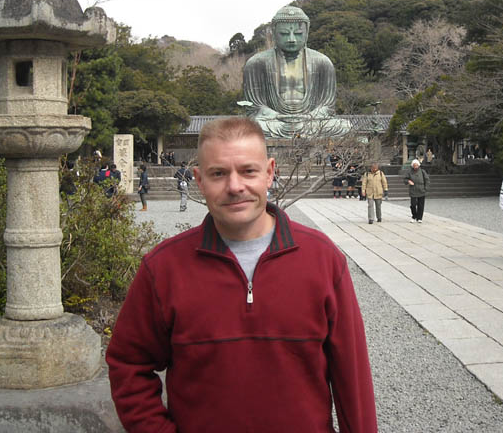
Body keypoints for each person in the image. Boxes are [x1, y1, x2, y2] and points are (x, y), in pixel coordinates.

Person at [106, 117, 377, 433]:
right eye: (218, 173)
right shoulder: (164, 267)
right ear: (199, 180)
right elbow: (129, 364)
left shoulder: (321, 259)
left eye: (248, 171)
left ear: (270, 173)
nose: (235, 186)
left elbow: (352, 377)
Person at [242, 5, 350, 138]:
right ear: (274, 33)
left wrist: (308, 117)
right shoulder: (256, 63)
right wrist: (278, 116)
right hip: (274, 122)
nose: (291, 39)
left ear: (307, 33)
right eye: (284, 34)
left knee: (343, 126)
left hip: (311, 122)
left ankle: (298, 130)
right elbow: (254, 107)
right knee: (250, 127)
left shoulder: (322, 62)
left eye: (298, 34)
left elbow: (327, 107)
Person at [403, 159, 430, 223]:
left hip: (421, 190)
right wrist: (408, 181)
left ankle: (419, 218)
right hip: (413, 190)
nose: (415, 167)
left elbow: (427, 180)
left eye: (416, 165)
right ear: (412, 166)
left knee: (421, 205)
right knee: (413, 204)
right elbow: (405, 179)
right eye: (414, 165)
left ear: (418, 165)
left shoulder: (422, 171)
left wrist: (425, 188)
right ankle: (414, 216)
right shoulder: (409, 171)